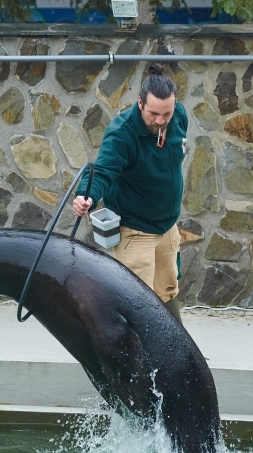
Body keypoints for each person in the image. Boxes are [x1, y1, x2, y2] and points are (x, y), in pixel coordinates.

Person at [73, 63, 187, 324]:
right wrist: (86, 196)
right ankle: (136, 362)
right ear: (140, 104)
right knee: (138, 301)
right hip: (135, 232)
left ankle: (179, 356)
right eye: (154, 114)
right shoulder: (121, 134)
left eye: (166, 114)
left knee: (168, 291)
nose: (160, 120)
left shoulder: (178, 115)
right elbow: (101, 172)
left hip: (167, 226)